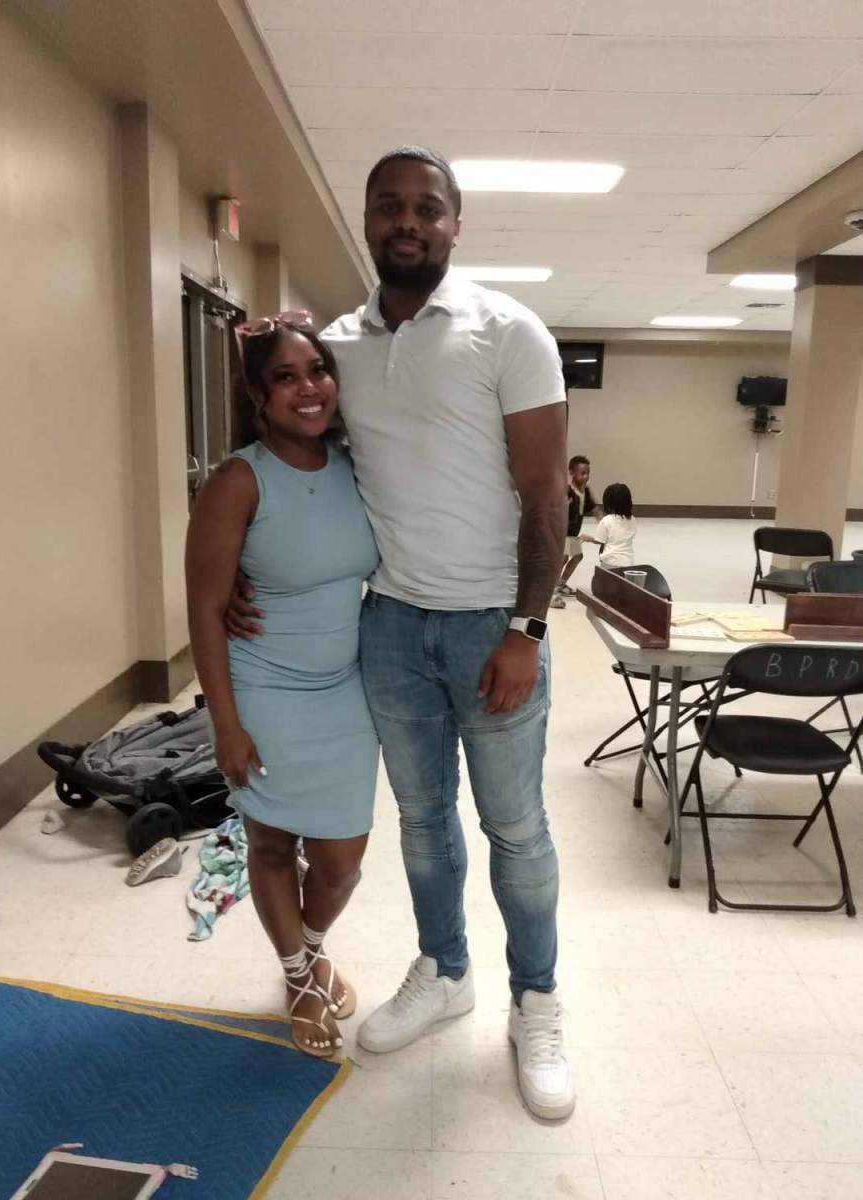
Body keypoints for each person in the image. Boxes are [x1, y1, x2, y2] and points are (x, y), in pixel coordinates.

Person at [228, 146, 573, 1119]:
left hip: (493, 628)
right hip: (388, 627)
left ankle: (537, 1002)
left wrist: (526, 628)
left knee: (515, 827)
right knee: (423, 824)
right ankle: (445, 971)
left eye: (428, 206)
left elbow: (547, 496)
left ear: (456, 222)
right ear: (369, 221)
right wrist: (237, 560)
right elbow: (288, 436)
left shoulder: (510, 330)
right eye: (389, 206)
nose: (408, 221)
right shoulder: (341, 346)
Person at [185, 314, 379, 1059]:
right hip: (263, 687)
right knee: (271, 845)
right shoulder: (238, 480)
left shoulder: (355, 465)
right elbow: (206, 610)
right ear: (257, 396)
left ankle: (313, 944)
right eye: (285, 377)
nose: (308, 388)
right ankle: (300, 974)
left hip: (344, 688)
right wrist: (225, 725)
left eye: (318, 370)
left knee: (341, 860)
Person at [549, 455, 600, 608]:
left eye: (588, 473)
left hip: (573, 533)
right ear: (572, 473)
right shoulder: (567, 491)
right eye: (582, 473)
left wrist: (603, 519)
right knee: (563, 558)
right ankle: (551, 589)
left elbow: (593, 508)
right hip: (563, 532)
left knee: (578, 557)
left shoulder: (586, 491)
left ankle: (560, 583)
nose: (586, 477)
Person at [580, 483, 636, 568]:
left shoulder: (606, 520)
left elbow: (599, 540)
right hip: (628, 562)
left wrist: (588, 539)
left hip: (609, 562)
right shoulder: (632, 519)